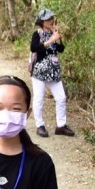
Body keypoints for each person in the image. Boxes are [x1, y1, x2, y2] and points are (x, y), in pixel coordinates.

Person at [29, 9, 74, 137]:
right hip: (39, 72)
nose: (50, 21)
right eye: (48, 19)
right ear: (42, 21)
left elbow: (61, 49)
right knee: (39, 98)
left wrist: (57, 38)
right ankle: (40, 125)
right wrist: (50, 40)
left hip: (53, 72)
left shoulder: (54, 33)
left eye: (51, 19)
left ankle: (61, 125)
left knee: (61, 97)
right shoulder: (38, 34)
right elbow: (34, 48)